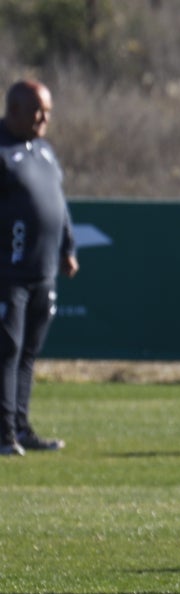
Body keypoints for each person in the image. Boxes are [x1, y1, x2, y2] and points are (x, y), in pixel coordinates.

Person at [0, 79, 79, 456]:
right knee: (7, 349)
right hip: (8, 273)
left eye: (48, 110)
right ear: (13, 110)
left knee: (28, 351)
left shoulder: (44, 151)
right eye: (37, 110)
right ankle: (3, 434)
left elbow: (58, 204)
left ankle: (20, 427)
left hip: (43, 270)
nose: (45, 118)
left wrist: (68, 246)